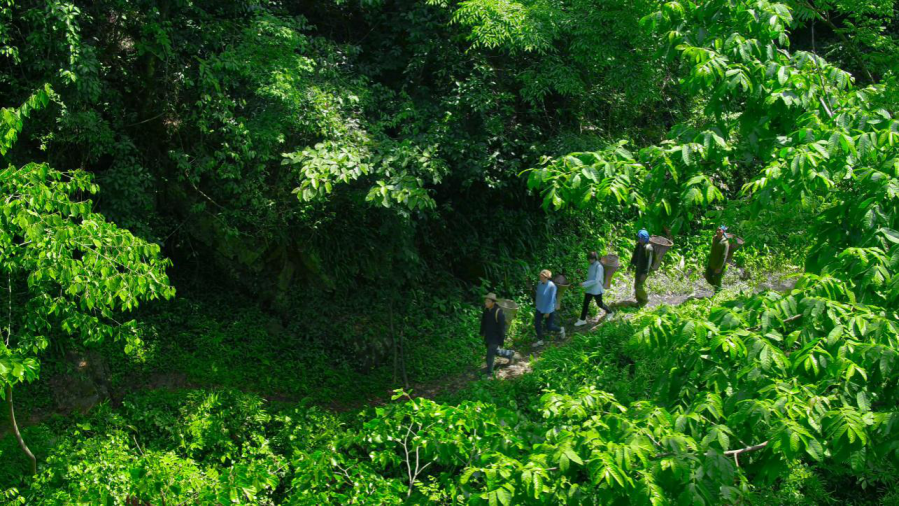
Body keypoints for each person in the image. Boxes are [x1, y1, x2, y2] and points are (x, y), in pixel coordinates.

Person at [480, 293, 514, 378]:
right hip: (488, 336)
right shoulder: (486, 310)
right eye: (486, 301)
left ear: (493, 302)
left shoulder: (499, 313)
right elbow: (483, 322)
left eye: (488, 301)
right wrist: (481, 332)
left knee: (489, 355)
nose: (486, 303)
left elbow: (502, 328)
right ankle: (509, 354)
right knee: (497, 352)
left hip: (495, 338)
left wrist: (501, 340)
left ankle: (490, 373)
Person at [575, 251, 613, 326]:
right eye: (589, 259)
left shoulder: (599, 266)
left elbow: (596, 280)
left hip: (596, 289)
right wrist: (582, 275)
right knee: (585, 303)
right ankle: (582, 319)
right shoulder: (591, 265)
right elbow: (590, 277)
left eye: (591, 259)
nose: (589, 261)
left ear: (595, 258)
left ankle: (610, 312)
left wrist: (584, 284)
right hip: (590, 288)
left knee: (600, 304)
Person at [534, 269, 565, 347]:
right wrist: (537, 305)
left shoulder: (552, 286)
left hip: (549, 309)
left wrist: (547, 311)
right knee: (537, 324)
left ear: (546, 277)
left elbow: (551, 300)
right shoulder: (539, 284)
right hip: (539, 307)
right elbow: (538, 295)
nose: (540, 277)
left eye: (542, 276)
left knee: (549, 326)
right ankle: (540, 340)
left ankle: (561, 330)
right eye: (540, 275)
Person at [630, 229, 654, 306]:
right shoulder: (639, 245)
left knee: (639, 286)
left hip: (644, 270)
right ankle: (639, 301)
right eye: (639, 238)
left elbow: (649, 262)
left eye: (641, 238)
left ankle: (645, 299)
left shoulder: (648, 248)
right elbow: (635, 255)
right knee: (636, 285)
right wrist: (631, 264)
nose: (639, 240)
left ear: (645, 239)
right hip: (638, 268)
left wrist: (645, 273)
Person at [705, 225, 730, 291]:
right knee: (707, 277)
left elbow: (724, 256)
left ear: (723, 231)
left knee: (717, 280)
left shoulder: (725, 243)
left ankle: (718, 291)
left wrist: (719, 268)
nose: (718, 231)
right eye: (717, 230)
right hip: (711, 263)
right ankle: (718, 288)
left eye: (720, 230)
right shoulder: (715, 239)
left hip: (718, 265)